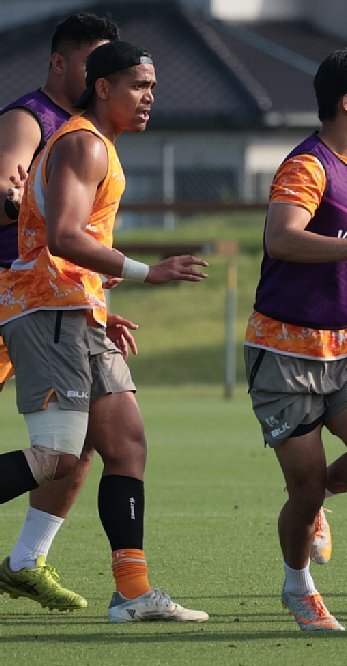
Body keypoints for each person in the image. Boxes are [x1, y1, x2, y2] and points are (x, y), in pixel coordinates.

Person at [0, 40, 209, 623]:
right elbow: (65, 236)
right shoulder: (83, 144)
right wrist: (148, 272)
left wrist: (97, 303)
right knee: (57, 458)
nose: (150, 98)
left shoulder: (99, 145)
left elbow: (65, 247)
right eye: (139, 86)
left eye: (153, 87)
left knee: (126, 446)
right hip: (47, 314)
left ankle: (133, 592)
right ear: (103, 88)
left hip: (76, 311)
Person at [244, 43, 347, 632]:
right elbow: (282, 239)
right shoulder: (307, 165)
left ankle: (314, 506)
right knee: (305, 486)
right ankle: (297, 585)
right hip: (285, 352)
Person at [0, 11, 121, 613]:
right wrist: (12, 196)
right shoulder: (31, 119)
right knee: (61, 444)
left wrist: (100, 300)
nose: (102, 75)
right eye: (91, 62)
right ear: (61, 63)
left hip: (64, 305)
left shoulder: (91, 132)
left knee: (81, 442)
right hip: (17, 297)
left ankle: (26, 561)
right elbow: (7, 183)